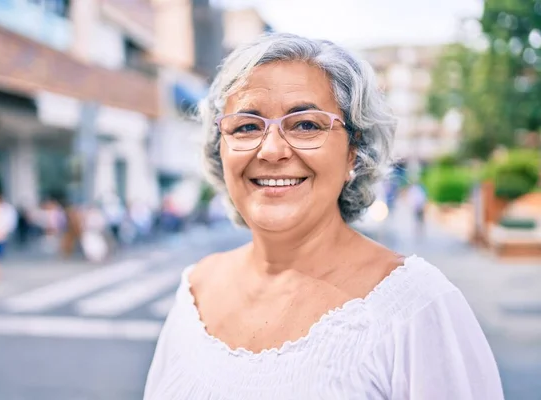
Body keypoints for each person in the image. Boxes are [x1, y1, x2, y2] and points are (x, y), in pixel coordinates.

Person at [144, 33, 504, 399]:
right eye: (247, 126)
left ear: (354, 151)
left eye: (305, 125)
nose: (271, 150)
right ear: (219, 149)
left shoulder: (414, 306)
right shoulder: (195, 291)